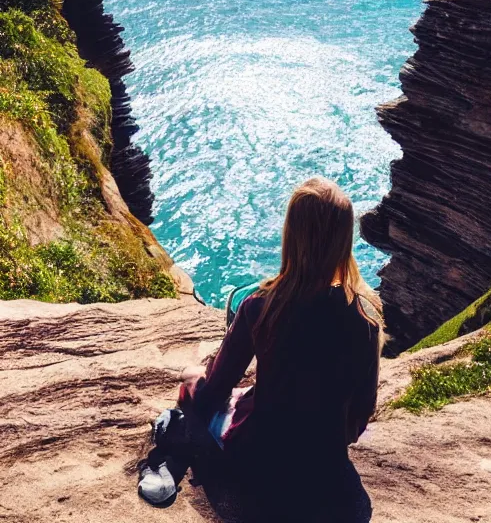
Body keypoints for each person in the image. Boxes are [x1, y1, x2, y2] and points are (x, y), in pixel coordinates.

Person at [139, 177, 383, 522]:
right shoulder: (364, 319)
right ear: (345, 240)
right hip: (330, 485)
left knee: (194, 388)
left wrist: (194, 383)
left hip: (258, 471)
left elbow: (213, 394)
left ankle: (172, 451)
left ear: (291, 235)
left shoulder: (261, 307)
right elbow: (360, 416)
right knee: (246, 399)